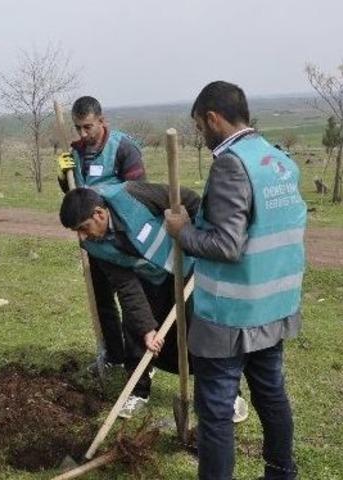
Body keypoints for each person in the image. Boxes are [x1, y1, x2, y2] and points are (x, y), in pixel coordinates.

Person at [165, 81, 305, 480]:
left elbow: (226, 244)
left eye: (199, 126)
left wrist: (182, 231)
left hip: (231, 314)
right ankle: (281, 472)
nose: (201, 135)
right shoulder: (277, 160)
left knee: (215, 409)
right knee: (270, 394)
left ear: (212, 118)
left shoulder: (231, 163)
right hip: (274, 306)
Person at [60, 182, 201, 418]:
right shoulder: (94, 246)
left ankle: (226, 392)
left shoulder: (132, 196)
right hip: (151, 278)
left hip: (186, 265)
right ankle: (138, 390)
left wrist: (201, 234)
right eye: (78, 231)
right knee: (135, 329)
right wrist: (147, 329)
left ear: (100, 213)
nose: (82, 236)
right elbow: (126, 286)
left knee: (201, 330)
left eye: (84, 227)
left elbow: (185, 197)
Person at [56, 95, 146, 376]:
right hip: (92, 241)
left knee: (131, 300)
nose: (83, 134)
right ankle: (114, 355)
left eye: (88, 127)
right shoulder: (76, 152)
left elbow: (138, 194)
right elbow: (74, 198)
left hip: (121, 240)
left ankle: (140, 363)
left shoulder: (124, 149)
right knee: (101, 299)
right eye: (78, 128)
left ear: (102, 121)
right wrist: (64, 176)